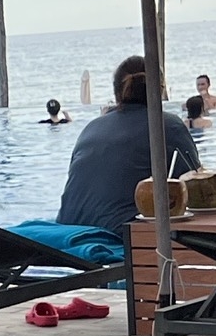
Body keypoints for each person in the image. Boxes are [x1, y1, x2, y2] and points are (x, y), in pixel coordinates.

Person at [15, 56, 200, 261]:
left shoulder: (92, 127)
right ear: (161, 89)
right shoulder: (168, 125)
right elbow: (198, 189)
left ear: (116, 92)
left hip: (68, 232)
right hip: (117, 239)